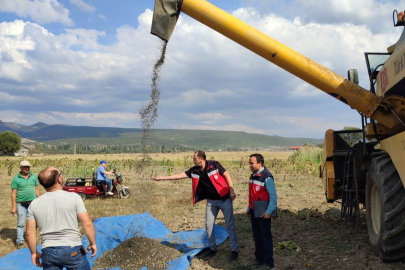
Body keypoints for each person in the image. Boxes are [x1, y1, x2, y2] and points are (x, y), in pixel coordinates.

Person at [153, 150, 239, 262]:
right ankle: (212, 248)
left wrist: (231, 190)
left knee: (230, 225)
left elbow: (226, 174)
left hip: (224, 199)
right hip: (211, 202)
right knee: (209, 226)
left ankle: (234, 250)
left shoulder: (214, 164)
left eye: (194, 158)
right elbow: (179, 176)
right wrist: (162, 178)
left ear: (201, 159)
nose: (193, 160)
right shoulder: (195, 170)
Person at [26, 167, 97, 269]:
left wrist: (34, 253)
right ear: (59, 180)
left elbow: (29, 233)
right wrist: (93, 243)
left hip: (48, 252)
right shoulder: (74, 197)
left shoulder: (34, 204)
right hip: (72, 250)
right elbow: (87, 223)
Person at [246, 154, 277, 270]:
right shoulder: (253, 176)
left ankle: (269, 263)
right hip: (255, 210)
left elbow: (273, 197)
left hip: (263, 212)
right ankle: (259, 259)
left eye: (251, 163)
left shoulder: (267, 177)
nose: (250, 165)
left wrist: (269, 212)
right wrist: (249, 208)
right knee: (257, 236)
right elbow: (252, 195)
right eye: (249, 163)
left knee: (265, 237)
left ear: (260, 163)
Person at [10, 160, 40, 248]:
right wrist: (13, 207)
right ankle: (20, 240)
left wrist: (40, 200)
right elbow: (14, 193)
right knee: (21, 223)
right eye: (25, 167)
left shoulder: (33, 177)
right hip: (21, 204)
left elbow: (37, 189)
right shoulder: (16, 179)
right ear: (21, 168)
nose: (27, 168)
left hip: (33, 203)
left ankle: (32, 238)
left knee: (34, 222)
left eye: (28, 167)